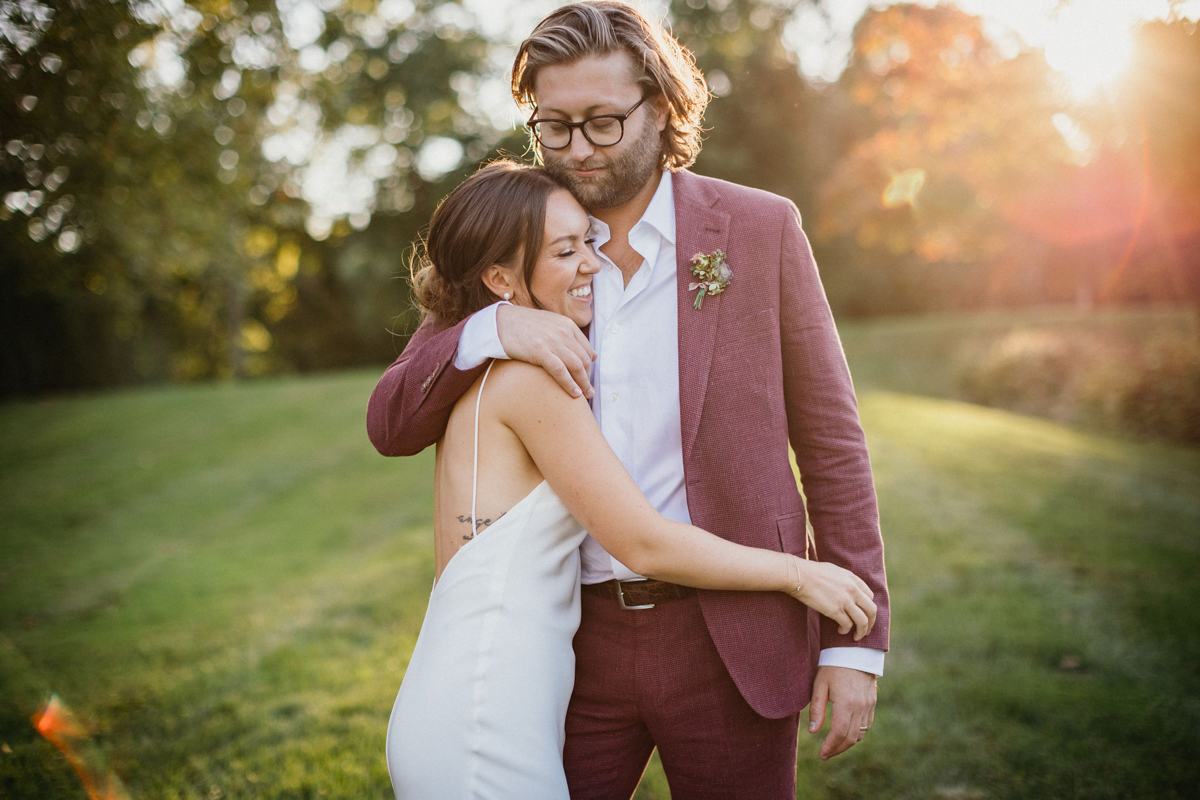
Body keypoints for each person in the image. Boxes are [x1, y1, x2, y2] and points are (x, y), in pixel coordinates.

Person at [369, 2, 891, 797]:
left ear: (662, 107)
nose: (576, 149)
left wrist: (855, 645)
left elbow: (832, 443)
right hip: (570, 648)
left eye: (603, 124)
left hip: (736, 635)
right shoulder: (515, 242)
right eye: (555, 126)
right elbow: (392, 421)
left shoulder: (760, 229)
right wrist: (492, 327)